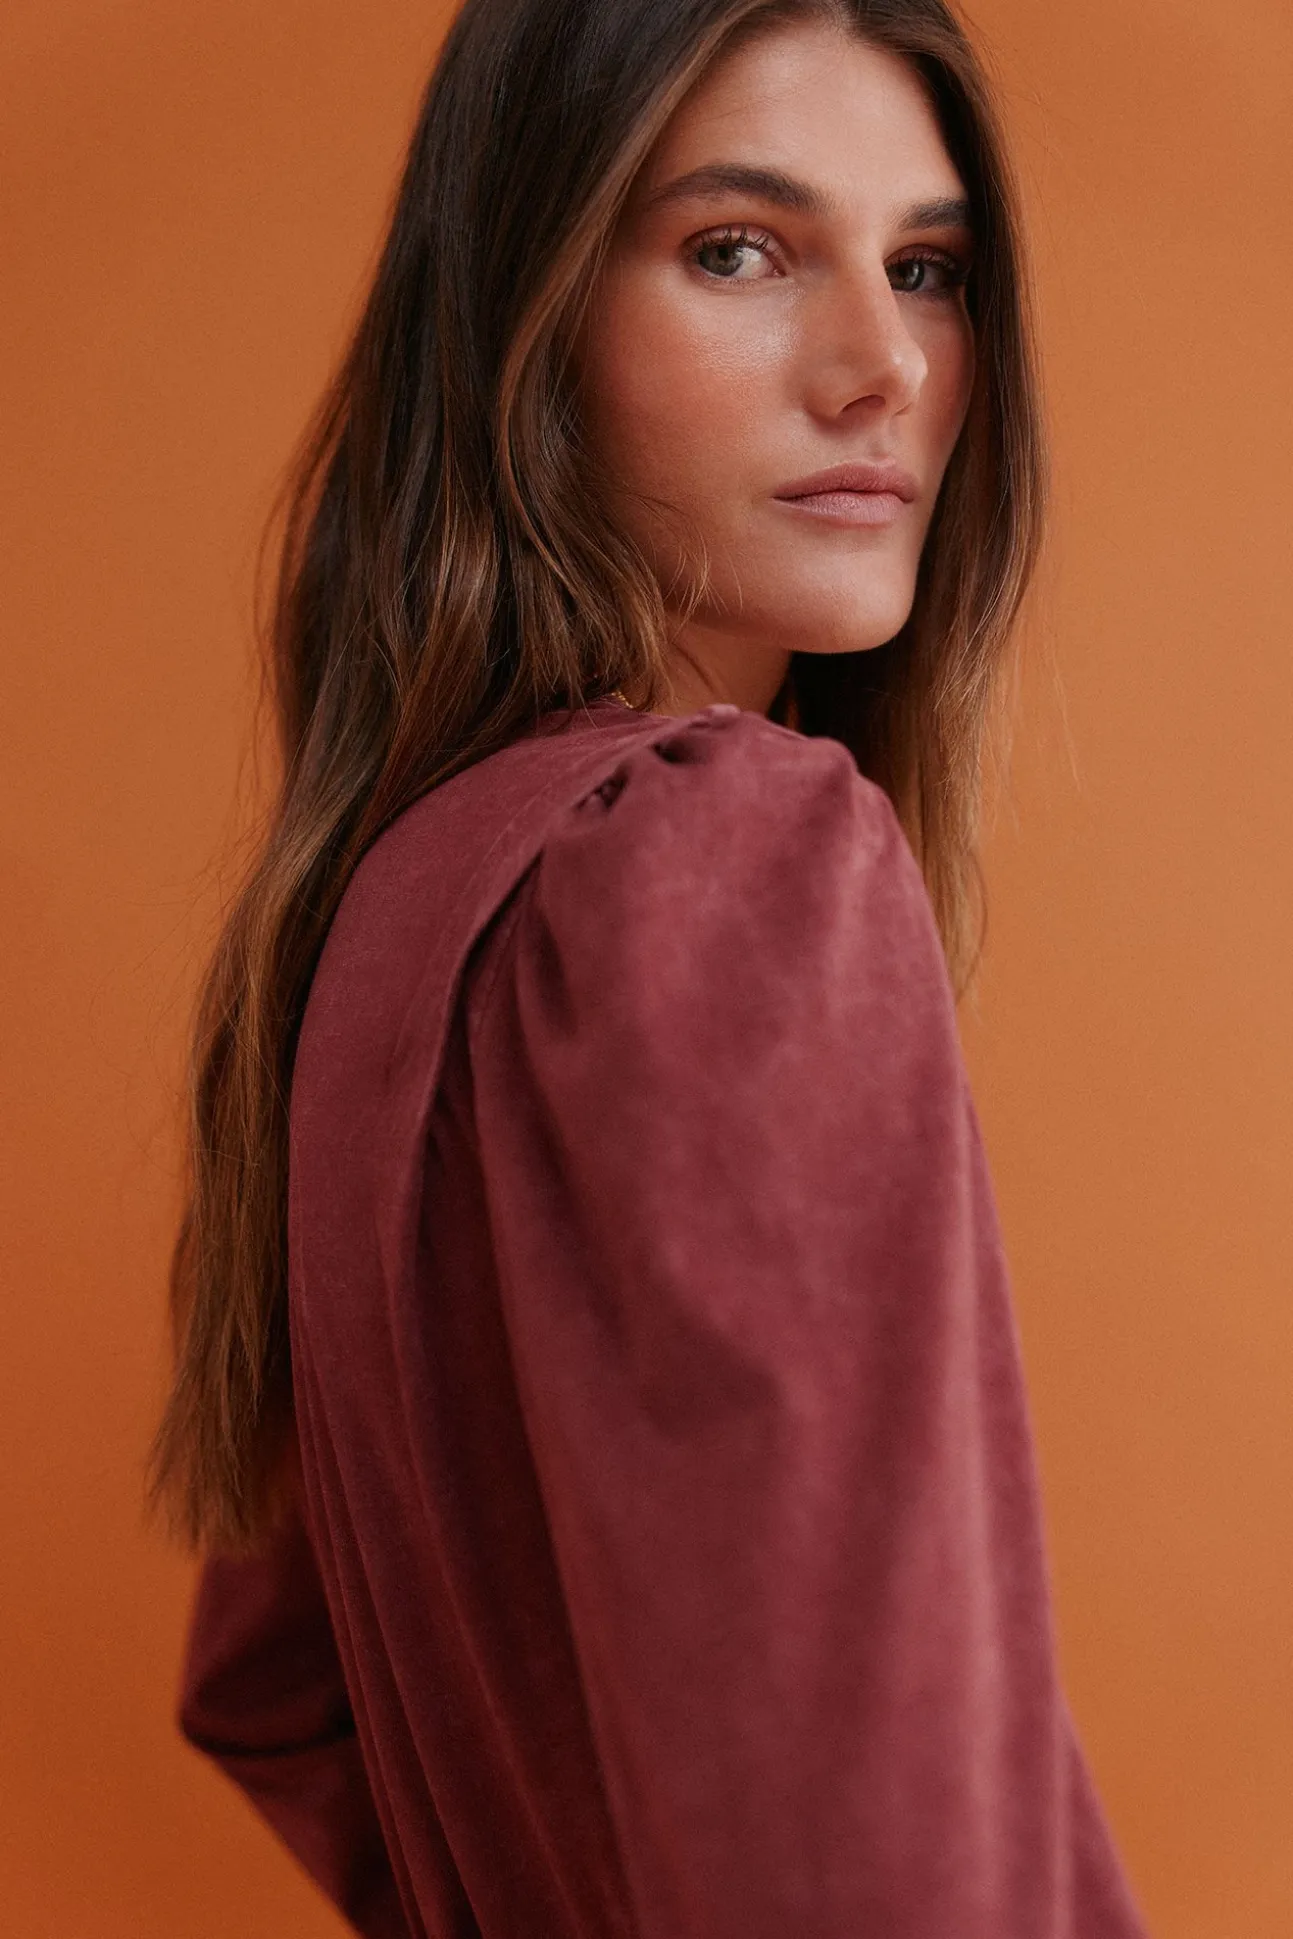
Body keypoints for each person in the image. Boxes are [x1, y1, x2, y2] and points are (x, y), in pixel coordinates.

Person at [148, 0, 1151, 1933]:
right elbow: (856, 1862)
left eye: (927, 270)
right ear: (524, 320)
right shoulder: (729, 858)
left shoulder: (390, 911)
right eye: (740, 250)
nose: (882, 367)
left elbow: (270, 1688)